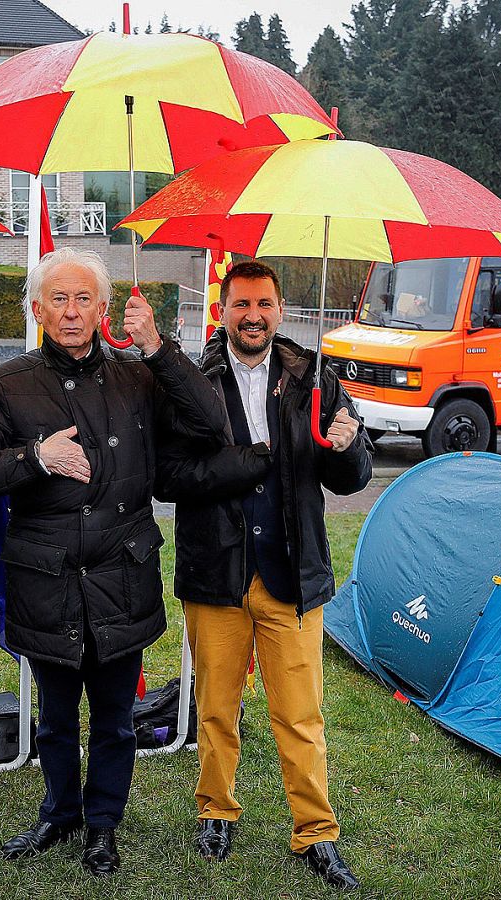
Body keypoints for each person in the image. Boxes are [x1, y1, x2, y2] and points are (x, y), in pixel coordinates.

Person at [0, 247, 225, 877]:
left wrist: (158, 348)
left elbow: (211, 424)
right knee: (56, 718)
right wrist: (33, 458)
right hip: (48, 582)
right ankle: (60, 811)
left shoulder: (139, 375)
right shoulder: (7, 384)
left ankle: (103, 825)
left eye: (83, 299)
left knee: (116, 720)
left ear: (104, 308)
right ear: (37, 310)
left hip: (123, 574)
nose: (71, 312)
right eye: (58, 300)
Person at [155, 260, 372, 891]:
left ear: (280, 310)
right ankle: (216, 811)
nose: (253, 316)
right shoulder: (193, 381)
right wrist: (246, 464)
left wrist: (347, 446)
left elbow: (351, 476)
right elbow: (168, 476)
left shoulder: (315, 377)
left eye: (264, 304)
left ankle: (316, 832)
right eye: (242, 304)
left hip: (291, 575)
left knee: (300, 715)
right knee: (216, 709)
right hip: (216, 572)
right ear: (221, 310)